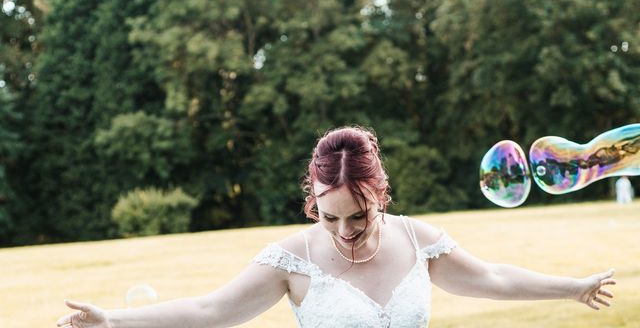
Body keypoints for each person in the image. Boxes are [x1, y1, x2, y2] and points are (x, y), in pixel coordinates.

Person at [57, 126, 616, 328]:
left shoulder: (416, 239)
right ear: (313, 202)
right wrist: (113, 322)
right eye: (329, 217)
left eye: (359, 214)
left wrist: (572, 288)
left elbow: (492, 278)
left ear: (381, 196)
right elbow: (209, 311)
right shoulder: (291, 258)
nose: (344, 230)